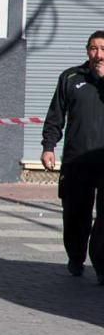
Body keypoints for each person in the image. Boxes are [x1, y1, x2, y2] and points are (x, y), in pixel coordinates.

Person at [40, 30, 104, 282]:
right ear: (87, 50)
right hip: (77, 160)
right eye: (94, 49)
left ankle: (101, 266)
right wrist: (48, 146)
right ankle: (76, 257)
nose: (99, 55)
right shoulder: (71, 77)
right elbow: (56, 115)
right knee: (75, 213)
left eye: (103, 49)